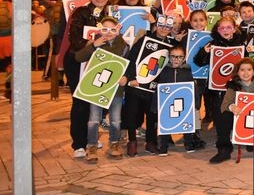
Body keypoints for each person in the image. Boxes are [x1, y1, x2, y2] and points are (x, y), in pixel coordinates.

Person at [193, 16, 247, 163]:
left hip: (237, 88)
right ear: (217, 30)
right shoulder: (212, 44)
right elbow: (198, 62)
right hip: (218, 90)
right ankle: (224, 149)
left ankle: (249, 142)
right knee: (222, 120)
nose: (225, 30)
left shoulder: (241, 44)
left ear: (234, 29)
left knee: (242, 115)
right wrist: (204, 52)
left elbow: (247, 65)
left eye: (228, 27)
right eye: (222, 28)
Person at [74, 16, 128, 162]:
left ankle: (114, 144)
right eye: (105, 29)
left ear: (118, 30)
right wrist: (93, 46)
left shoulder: (124, 46)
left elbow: (130, 66)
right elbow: (78, 57)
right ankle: (91, 146)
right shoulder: (95, 43)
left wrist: (126, 78)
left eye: (112, 29)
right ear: (99, 29)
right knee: (94, 119)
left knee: (116, 120)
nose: (108, 32)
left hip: (116, 89)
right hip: (96, 89)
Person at [123, 15, 177, 156]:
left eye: (167, 27)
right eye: (161, 26)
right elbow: (132, 58)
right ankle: (132, 141)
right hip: (136, 84)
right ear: (155, 26)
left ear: (171, 29)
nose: (164, 29)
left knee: (152, 115)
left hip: (154, 87)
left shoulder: (172, 44)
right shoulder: (144, 39)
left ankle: (151, 142)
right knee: (132, 113)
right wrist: (131, 77)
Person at [66, 0, 109, 158]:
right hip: (79, 62)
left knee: (98, 102)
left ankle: (91, 137)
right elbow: (74, 39)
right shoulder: (81, 13)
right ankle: (79, 144)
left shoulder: (110, 14)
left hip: (100, 63)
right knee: (80, 104)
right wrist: (91, 43)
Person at [151, 45, 204, 155]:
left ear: (184, 58)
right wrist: (155, 105)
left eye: (179, 57)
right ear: (169, 58)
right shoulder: (164, 71)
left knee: (186, 123)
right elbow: (159, 89)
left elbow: (193, 89)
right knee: (165, 124)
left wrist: (196, 104)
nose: (176, 59)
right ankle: (163, 147)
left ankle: (188, 144)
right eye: (173, 56)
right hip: (166, 104)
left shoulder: (187, 72)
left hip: (183, 103)